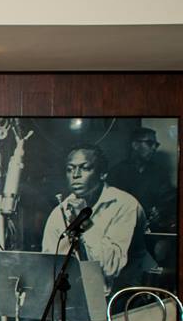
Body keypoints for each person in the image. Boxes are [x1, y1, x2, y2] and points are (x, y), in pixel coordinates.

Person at [41, 144, 155, 296]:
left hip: (124, 297)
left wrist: (84, 222)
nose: (75, 175)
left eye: (85, 168)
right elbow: (51, 266)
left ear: (103, 174)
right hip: (77, 296)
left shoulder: (125, 205)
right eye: (70, 169)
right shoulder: (59, 213)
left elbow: (110, 268)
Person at [106, 127, 176, 233]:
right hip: (122, 228)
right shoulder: (117, 172)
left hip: (151, 229)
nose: (154, 148)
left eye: (156, 145)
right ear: (135, 145)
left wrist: (160, 211)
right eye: (149, 143)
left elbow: (167, 200)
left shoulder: (160, 172)